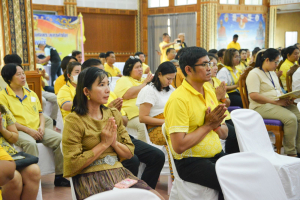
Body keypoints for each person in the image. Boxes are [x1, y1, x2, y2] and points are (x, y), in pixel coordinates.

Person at [62, 67, 164, 200]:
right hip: (90, 177)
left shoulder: (113, 113)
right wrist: (104, 144)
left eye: (108, 84)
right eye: (101, 85)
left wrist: (114, 142)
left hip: (119, 173)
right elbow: (72, 165)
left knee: (155, 197)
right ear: (86, 91)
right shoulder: (74, 120)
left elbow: (129, 153)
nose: (108, 90)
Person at [164, 47, 228, 198]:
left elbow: (225, 134)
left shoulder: (209, 89)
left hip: (216, 155)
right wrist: (208, 126)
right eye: (204, 64)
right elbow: (179, 146)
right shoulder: (178, 100)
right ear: (188, 69)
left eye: (210, 64)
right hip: (191, 162)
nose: (210, 69)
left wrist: (215, 125)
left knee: (247, 174)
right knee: (231, 182)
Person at [0, 63, 69, 187]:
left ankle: (59, 176)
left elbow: (40, 114)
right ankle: (32, 179)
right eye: (18, 74)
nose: (23, 77)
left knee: (60, 139)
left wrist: (41, 128)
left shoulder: (31, 93)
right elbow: (9, 121)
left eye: (23, 73)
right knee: (30, 143)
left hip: (37, 128)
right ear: (9, 78)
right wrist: (29, 131)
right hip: (18, 130)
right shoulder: (3, 96)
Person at [247, 48, 300, 157]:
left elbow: (279, 91)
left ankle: (298, 148)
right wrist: (275, 102)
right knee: (290, 118)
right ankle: (291, 152)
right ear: (267, 60)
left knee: (298, 115)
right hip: (260, 106)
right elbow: (254, 95)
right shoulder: (254, 74)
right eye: (276, 62)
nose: (277, 65)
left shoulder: (272, 73)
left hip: (275, 103)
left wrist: (287, 98)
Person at [0, 104, 41, 200]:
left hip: (9, 153)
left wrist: (2, 129)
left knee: (34, 171)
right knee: (14, 178)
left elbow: (15, 138)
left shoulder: (2, 109)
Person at [206, 53, 239, 154]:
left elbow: (228, 103)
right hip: (215, 116)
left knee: (241, 131)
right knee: (234, 135)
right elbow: (207, 106)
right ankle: (229, 159)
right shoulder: (203, 83)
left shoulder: (217, 81)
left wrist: (223, 97)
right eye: (213, 65)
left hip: (225, 115)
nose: (216, 68)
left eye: (216, 65)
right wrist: (218, 97)